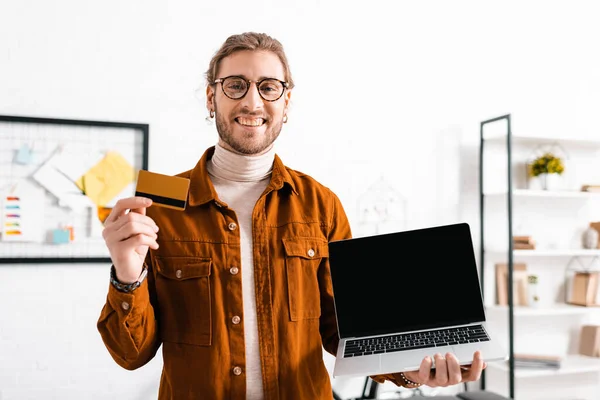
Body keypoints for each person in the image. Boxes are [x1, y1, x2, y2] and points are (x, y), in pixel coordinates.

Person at [97, 32, 486, 400]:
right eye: (235, 85)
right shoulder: (160, 205)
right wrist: (127, 275)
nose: (252, 102)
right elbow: (131, 355)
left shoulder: (320, 205)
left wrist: (411, 372)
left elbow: (345, 332)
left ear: (286, 102)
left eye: (268, 87)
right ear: (211, 98)